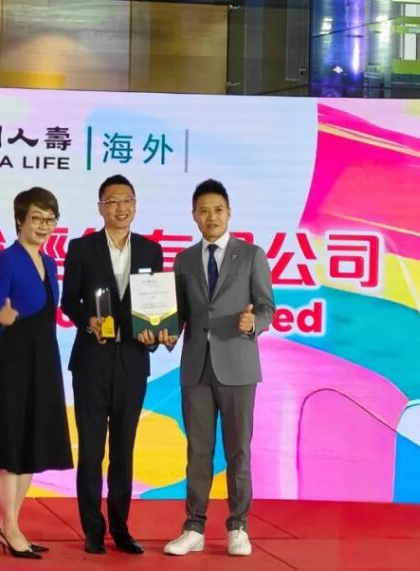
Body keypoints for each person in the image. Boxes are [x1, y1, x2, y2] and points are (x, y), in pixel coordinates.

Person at [162, 179, 275, 557]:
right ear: (194, 215)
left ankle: (238, 526)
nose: (211, 217)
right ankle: (193, 527)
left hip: (238, 367)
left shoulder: (252, 255)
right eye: (203, 211)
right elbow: (178, 313)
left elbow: (267, 306)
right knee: (198, 451)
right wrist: (163, 332)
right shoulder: (184, 260)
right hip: (196, 368)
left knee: (238, 451)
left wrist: (254, 323)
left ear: (229, 213)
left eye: (218, 210)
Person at [60, 174, 166, 555]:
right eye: (112, 201)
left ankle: (121, 529)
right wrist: (86, 320)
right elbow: (68, 300)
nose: (121, 208)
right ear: (100, 207)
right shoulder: (81, 248)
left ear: (135, 206)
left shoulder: (151, 251)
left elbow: (156, 305)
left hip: (133, 362)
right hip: (92, 360)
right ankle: (93, 530)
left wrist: (158, 333)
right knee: (91, 450)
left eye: (127, 201)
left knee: (124, 449)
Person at [0, 187, 74, 560]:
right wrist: (0, 316)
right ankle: (10, 527)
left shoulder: (50, 262)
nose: (44, 226)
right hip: (14, 360)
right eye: (37, 219)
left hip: (44, 359)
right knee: (11, 446)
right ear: (19, 220)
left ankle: (9, 525)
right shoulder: (4, 259)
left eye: (50, 220)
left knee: (32, 445)